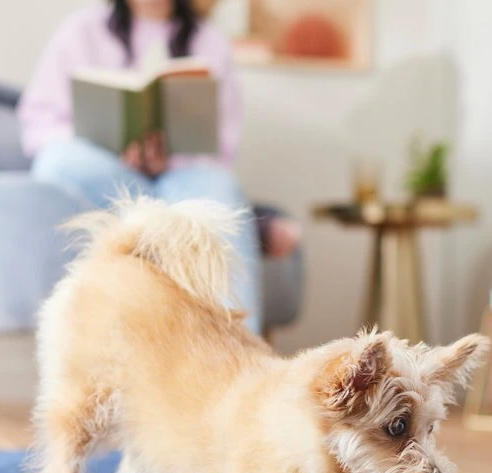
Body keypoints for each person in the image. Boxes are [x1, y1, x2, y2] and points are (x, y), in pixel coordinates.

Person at [18, 0, 300, 334]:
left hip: (183, 176)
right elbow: (38, 122)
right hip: (107, 173)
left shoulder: (211, 42)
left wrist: (168, 161)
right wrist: (115, 151)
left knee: (219, 186)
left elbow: (222, 149)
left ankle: (239, 347)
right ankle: (233, 219)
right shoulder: (81, 30)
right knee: (56, 161)